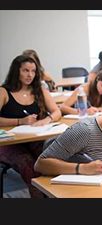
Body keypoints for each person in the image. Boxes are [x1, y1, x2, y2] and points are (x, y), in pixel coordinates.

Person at [0, 55, 62, 197]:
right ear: (16, 71)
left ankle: (55, 194)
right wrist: (19, 121)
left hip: (34, 138)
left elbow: (57, 111)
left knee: (51, 159)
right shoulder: (4, 91)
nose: (30, 75)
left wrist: (47, 120)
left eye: (33, 71)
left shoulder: (39, 90)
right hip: (9, 143)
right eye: (25, 70)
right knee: (28, 165)